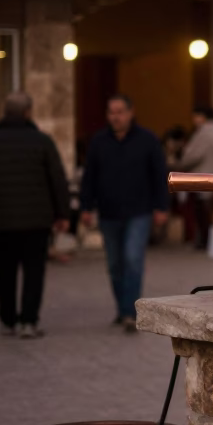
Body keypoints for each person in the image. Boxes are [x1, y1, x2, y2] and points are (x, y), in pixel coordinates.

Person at [0, 93, 70, 338]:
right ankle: (28, 320)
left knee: (5, 271)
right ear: (28, 113)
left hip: (2, 221)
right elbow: (57, 180)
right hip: (37, 221)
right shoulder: (42, 141)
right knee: (34, 272)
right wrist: (61, 213)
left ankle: (8, 319)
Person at [80, 95, 169, 333]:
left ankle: (130, 312)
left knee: (132, 258)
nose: (115, 117)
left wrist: (162, 206)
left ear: (131, 113)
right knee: (115, 264)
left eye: (120, 112)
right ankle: (122, 309)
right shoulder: (99, 142)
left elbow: (160, 175)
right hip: (109, 212)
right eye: (111, 112)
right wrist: (85, 207)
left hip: (139, 211)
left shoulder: (147, 140)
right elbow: (89, 177)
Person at [173, 107, 213, 250]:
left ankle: (204, 241)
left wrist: (180, 162)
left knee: (202, 211)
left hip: (203, 175)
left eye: (196, 116)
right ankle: (203, 240)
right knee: (203, 210)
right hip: (209, 174)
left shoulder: (206, 132)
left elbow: (193, 155)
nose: (194, 120)